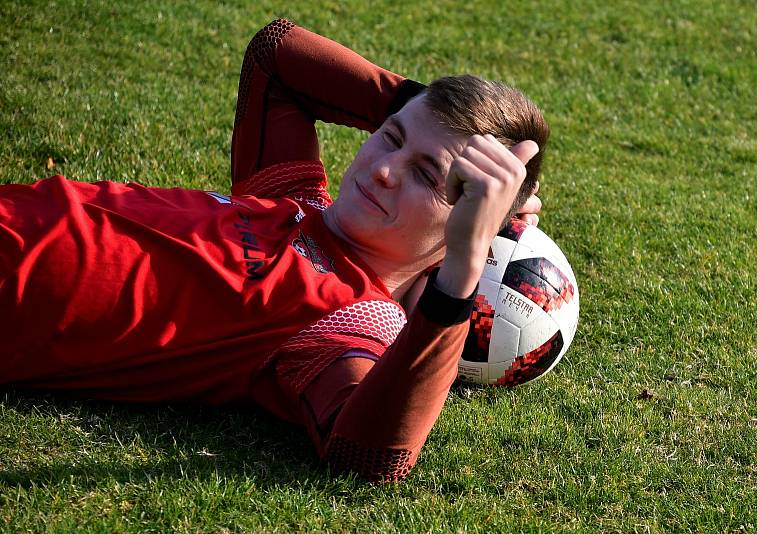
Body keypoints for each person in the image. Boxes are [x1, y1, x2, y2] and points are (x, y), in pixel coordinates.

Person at [0, 19, 549, 481]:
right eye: (392, 136)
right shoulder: (294, 198)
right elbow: (277, 54)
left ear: (465, 228)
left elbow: (370, 457)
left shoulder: (351, 321)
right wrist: (421, 104)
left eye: (426, 175)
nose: (381, 169)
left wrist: (461, 272)